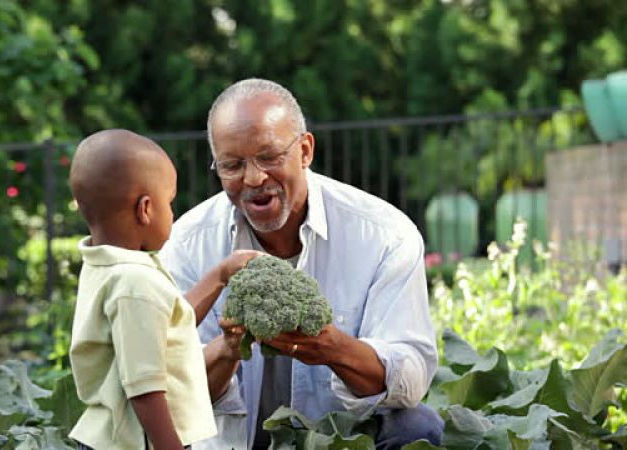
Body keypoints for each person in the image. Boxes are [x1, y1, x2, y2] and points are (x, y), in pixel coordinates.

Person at [158, 79, 443, 450]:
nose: (254, 178)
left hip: (342, 441)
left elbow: (411, 375)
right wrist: (228, 349)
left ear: (305, 150)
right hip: (230, 443)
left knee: (417, 426)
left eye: (269, 157)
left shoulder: (385, 235)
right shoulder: (187, 243)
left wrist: (333, 347)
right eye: (232, 165)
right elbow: (169, 385)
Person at [67, 129, 261, 450]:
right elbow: (145, 388)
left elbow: (169, 324)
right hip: (138, 442)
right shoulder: (134, 283)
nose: (172, 212)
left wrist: (221, 275)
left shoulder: (106, 266)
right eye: (168, 202)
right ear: (145, 209)